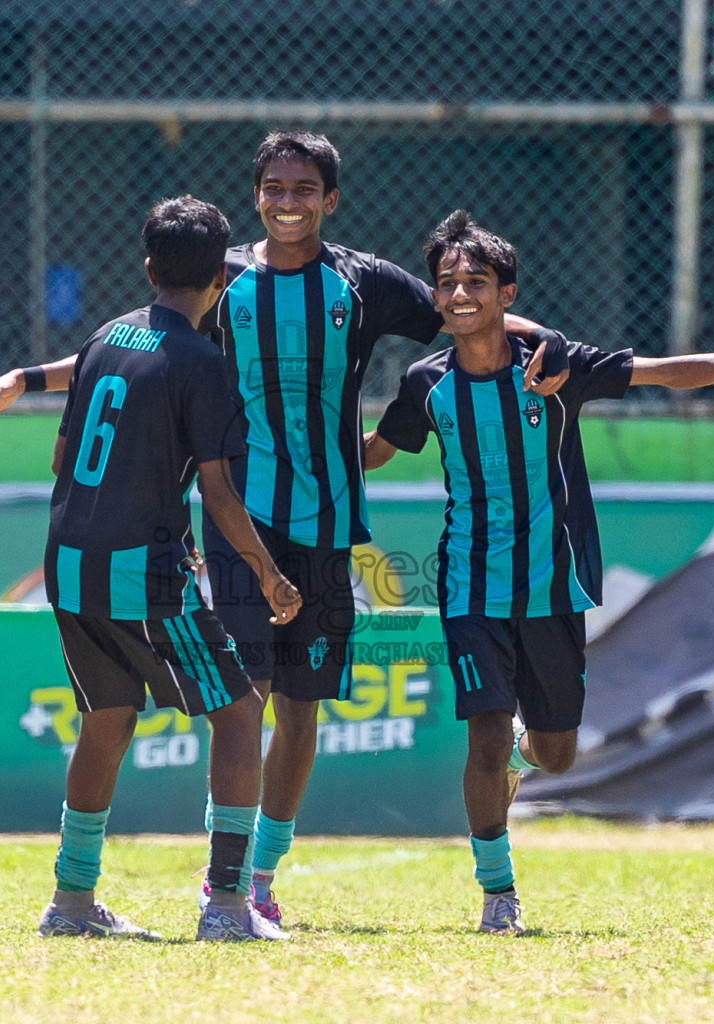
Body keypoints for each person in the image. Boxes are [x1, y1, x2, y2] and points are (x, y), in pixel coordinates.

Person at [363, 210, 714, 934]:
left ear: (506, 292)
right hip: (467, 583)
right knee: (482, 734)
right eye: (448, 282)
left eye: (476, 282)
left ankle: (527, 752)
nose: (460, 293)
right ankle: (498, 894)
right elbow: (374, 451)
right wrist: (288, 440)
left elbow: (667, 374)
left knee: (555, 753)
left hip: (551, 584)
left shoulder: (554, 368)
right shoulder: (426, 383)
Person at [191, 131, 569, 923]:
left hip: (329, 527)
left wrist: (548, 340)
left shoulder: (360, 282)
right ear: (255, 195)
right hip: (239, 524)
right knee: (246, 696)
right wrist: (35, 378)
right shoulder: (220, 279)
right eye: (273, 188)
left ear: (330, 200)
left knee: (300, 710)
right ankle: (224, 879)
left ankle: (261, 874)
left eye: (303, 189)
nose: (287, 201)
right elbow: (148, 338)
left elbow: (466, 312)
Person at [0, 196, 303, 942]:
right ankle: (225, 905)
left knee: (107, 721)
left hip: (69, 560)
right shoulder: (202, 362)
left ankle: (73, 904)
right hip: (135, 569)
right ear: (223, 276)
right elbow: (217, 491)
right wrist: (268, 573)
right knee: (241, 713)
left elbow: (63, 457)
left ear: (148, 267)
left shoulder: (106, 336)